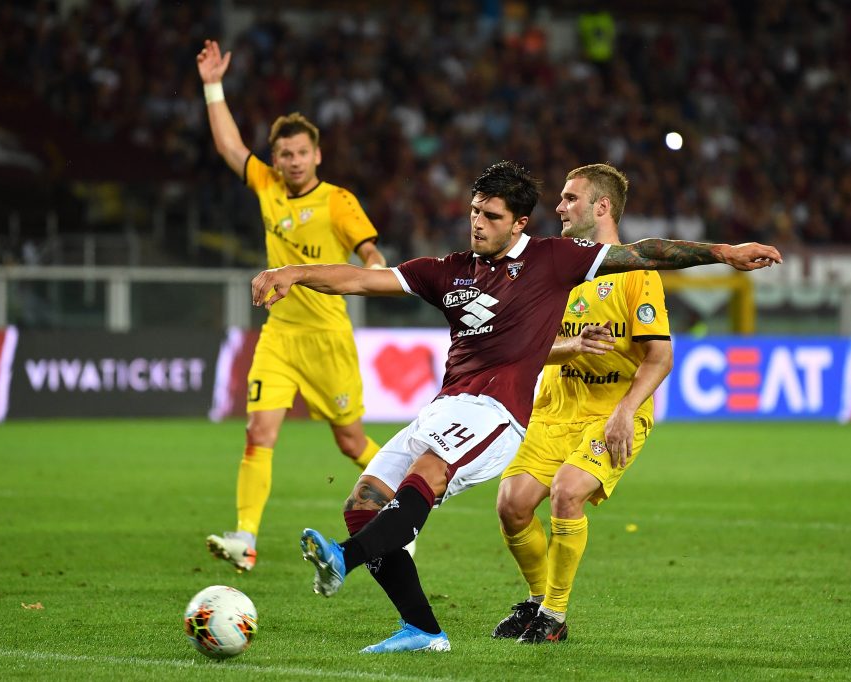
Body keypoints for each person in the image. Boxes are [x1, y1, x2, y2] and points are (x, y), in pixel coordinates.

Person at [250, 160, 781, 653]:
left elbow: (645, 252)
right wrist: (294, 273)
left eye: (491, 215)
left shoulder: (554, 260)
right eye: (474, 211)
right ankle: (421, 628)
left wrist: (723, 252)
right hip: (448, 403)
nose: (477, 222)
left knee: (428, 476)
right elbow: (361, 279)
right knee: (363, 502)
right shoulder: (451, 270)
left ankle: (345, 557)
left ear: (519, 222)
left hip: (496, 413)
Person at [196, 39, 388, 572]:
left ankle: (403, 500)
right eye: (284, 154)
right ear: (276, 160)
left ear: (317, 156)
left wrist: (377, 271)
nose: (293, 161)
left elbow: (369, 251)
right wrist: (213, 85)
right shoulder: (268, 186)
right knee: (259, 432)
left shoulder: (338, 201)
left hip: (328, 339)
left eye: (302, 153)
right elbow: (231, 146)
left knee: (351, 442)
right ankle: (246, 538)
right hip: (279, 335)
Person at [492, 163, 672, 644]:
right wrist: (570, 347)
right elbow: (522, 344)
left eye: (571, 198)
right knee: (511, 505)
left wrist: (625, 412)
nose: (559, 206)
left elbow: (660, 357)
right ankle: (536, 602)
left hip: (611, 411)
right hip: (554, 408)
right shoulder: (551, 268)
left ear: (602, 207)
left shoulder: (636, 272)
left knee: (567, 492)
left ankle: (553, 615)